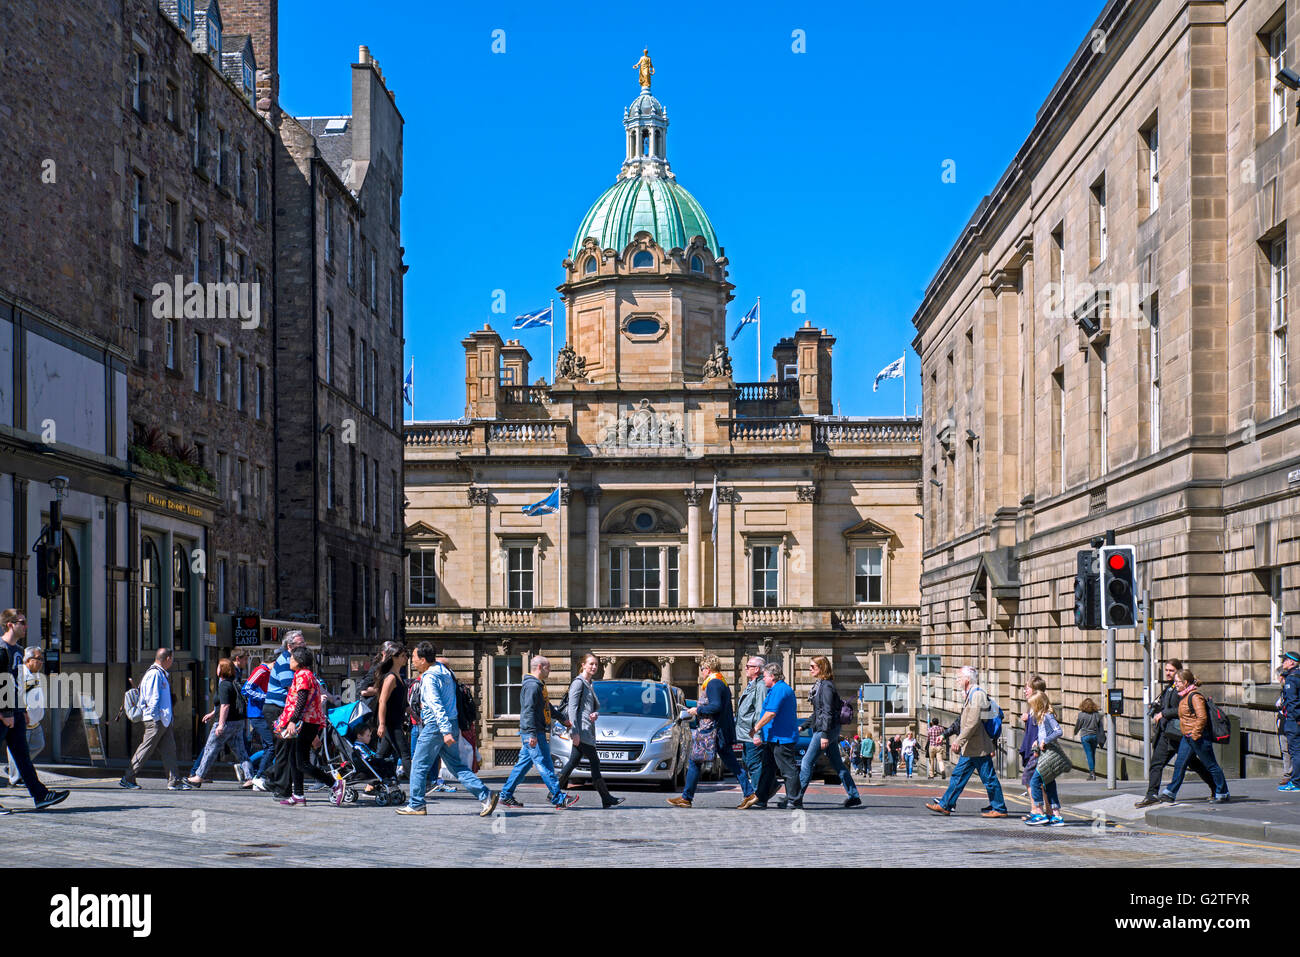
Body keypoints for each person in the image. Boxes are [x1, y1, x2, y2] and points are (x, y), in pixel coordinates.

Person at [397, 641, 498, 816]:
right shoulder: (446, 671)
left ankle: (416, 804)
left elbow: (437, 705)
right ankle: (486, 796)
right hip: (451, 723)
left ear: (423, 659)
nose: (411, 662)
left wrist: (444, 731)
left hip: (436, 726)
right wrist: (449, 729)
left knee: (419, 765)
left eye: (413, 658)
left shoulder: (429, 677)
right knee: (457, 766)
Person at [0, 610, 68, 813]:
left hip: (16, 712)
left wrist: (22, 709)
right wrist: (5, 713)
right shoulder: (1, 649)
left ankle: (40, 795)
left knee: (23, 757)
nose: (25, 626)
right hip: (5, 713)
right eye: (22, 622)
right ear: (10, 625)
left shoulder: (19, 650)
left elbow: (17, 682)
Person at [669, 656, 757, 809]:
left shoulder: (713, 683)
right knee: (716, 762)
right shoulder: (720, 681)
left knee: (696, 760)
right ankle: (749, 793)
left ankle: (687, 798)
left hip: (713, 731)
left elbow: (715, 706)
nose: (702, 673)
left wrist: (697, 710)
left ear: (707, 669)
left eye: (702, 670)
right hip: (718, 730)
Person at [925, 666, 1008, 818]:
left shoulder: (977, 695)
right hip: (971, 747)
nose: (957, 681)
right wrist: (947, 735)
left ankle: (1000, 808)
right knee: (958, 775)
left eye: (959, 678)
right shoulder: (971, 694)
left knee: (989, 778)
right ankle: (946, 804)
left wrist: (959, 741)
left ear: (967, 679)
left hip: (978, 746)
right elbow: (962, 721)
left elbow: (973, 722)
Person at [1135, 658, 1217, 808]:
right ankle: (1152, 794)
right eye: (1166, 670)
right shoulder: (1170, 687)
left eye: (1171, 671)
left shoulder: (1182, 690)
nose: (1167, 673)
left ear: (1178, 672)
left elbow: (1182, 709)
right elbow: (1168, 706)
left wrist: (1164, 713)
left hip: (1179, 733)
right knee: (1157, 764)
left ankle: (1216, 787)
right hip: (1167, 733)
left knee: (1194, 764)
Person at [499, 656, 578, 810]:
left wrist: (563, 720)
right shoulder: (532, 686)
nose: (550, 671)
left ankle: (506, 795)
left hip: (535, 731)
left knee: (522, 766)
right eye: (548, 668)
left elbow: (546, 706)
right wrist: (531, 734)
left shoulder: (537, 685)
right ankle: (558, 798)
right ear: (541, 667)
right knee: (545, 765)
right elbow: (527, 711)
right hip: (534, 732)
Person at [555, 653, 624, 809]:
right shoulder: (578, 683)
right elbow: (572, 708)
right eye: (591, 664)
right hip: (581, 731)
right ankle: (606, 798)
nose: (594, 667)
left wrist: (594, 713)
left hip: (587, 729)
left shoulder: (589, 683)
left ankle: (553, 793)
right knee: (594, 762)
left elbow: (587, 708)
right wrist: (574, 732)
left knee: (572, 763)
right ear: (583, 665)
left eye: (596, 665)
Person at [120, 647, 190, 791]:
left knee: (169, 750)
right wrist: (154, 718)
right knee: (145, 749)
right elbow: (154, 698)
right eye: (172, 658)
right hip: (156, 721)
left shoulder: (160, 674)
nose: (172, 661)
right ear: (168, 658)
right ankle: (128, 778)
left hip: (163, 720)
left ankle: (174, 781)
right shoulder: (154, 674)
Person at [274, 646, 338, 806]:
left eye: (292, 658)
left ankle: (334, 783)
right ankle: (298, 795)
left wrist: (293, 721)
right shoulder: (305, 675)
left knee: (302, 762)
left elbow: (301, 700)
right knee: (294, 759)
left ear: (299, 661)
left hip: (305, 722)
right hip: (308, 722)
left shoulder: (303, 675)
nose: (290, 660)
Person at [1158, 668, 1230, 805]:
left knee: (1211, 765)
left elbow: (1202, 717)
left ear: (1185, 682)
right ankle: (1170, 793)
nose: (1176, 684)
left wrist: (1195, 734)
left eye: (1178, 682)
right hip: (1187, 737)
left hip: (1198, 737)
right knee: (1180, 764)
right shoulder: (1184, 696)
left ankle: (1223, 793)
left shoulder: (1195, 696)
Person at [796, 656, 860, 807]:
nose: (810, 669)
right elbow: (818, 713)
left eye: (813, 666)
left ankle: (795, 797)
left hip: (826, 730)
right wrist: (803, 726)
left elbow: (827, 712)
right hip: (828, 729)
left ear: (822, 668)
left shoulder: (826, 687)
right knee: (837, 764)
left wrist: (824, 735)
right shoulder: (820, 685)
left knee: (806, 762)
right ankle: (854, 796)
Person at [249, 631, 305, 795]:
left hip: (284, 709)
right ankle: (274, 781)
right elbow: (292, 689)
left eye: (304, 644)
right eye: (301, 645)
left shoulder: (296, 662)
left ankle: (283, 786)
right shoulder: (286, 661)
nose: (304, 647)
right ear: (290, 646)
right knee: (283, 748)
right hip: (277, 710)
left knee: (288, 749)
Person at [187, 658, 253, 787]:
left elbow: (225, 706)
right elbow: (226, 705)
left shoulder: (224, 685)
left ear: (222, 669)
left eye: (218, 667)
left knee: (210, 749)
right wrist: (213, 714)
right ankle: (250, 778)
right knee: (241, 752)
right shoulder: (233, 683)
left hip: (226, 723)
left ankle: (199, 776)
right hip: (237, 723)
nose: (216, 669)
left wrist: (221, 724)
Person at [749, 662, 803, 810]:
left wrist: (756, 728)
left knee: (787, 770)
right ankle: (762, 798)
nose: (763, 679)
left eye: (765, 676)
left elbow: (771, 712)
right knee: (767, 770)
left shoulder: (780, 689)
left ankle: (795, 800)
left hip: (782, 738)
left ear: (772, 676)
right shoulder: (775, 689)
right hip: (773, 738)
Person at [1024, 692, 1066, 827]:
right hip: (1044, 753)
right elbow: (1044, 734)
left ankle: (1039, 813)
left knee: (1035, 781)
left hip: (1049, 755)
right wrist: (1037, 741)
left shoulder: (1047, 716)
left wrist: (1045, 741)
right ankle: (1056, 815)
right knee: (1049, 784)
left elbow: (1058, 731)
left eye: (1033, 705)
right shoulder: (1041, 717)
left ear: (1038, 704)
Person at [5, 645, 46, 787]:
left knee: (38, 745)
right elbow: (17, 694)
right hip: (24, 720)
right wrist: (23, 712)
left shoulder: (36, 675)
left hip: (35, 722)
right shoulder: (21, 674)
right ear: (28, 660)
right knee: (18, 750)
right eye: (38, 659)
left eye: (42, 658)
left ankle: (14, 768)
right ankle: (16, 778)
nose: (41, 661)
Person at [373, 644, 410, 771]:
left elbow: (401, 701)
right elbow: (382, 701)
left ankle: (371, 785)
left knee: (381, 755)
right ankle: (418, 785)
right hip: (390, 723)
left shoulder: (398, 676)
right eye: (403, 656)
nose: (406, 658)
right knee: (404, 753)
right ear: (394, 657)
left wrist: (413, 713)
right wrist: (382, 724)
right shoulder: (390, 678)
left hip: (396, 721)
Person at [734, 655, 767, 790]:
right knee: (748, 762)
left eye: (748, 666)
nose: (745, 668)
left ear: (757, 669)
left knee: (754, 764)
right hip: (746, 733)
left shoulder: (760, 686)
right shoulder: (751, 685)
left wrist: (758, 734)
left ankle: (757, 795)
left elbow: (760, 711)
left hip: (752, 733)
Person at [242, 654, 276, 785]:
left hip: (263, 714)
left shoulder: (268, 673)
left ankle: (260, 774)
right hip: (257, 714)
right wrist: (266, 697)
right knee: (271, 746)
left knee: (269, 746)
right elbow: (246, 689)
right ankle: (260, 775)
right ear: (272, 662)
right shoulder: (261, 670)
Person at [1278, 653, 1300, 792]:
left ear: (1292, 662)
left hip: (1294, 721)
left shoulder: (1292, 679)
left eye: (1285, 660)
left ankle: (1296, 782)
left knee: (1295, 751)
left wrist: (1295, 719)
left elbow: (1292, 703)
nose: (1283, 662)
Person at [1074, 697, 1104, 781]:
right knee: (1092, 754)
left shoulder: (1081, 715)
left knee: (1089, 754)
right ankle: (1092, 772)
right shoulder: (1096, 714)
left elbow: (1078, 725)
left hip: (1085, 736)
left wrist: (1075, 732)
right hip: (1094, 736)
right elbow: (1103, 715)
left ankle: (1092, 773)